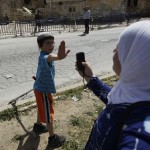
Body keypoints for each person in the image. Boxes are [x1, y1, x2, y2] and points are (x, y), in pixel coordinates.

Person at [76, 20, 150, 150]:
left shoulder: (139, 133)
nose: (114, 50)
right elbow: (115, 102)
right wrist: (90, 78)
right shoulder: (137, 90)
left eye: (121, 46)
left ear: (138, 58)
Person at [33, 32, 70, 149]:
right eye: (47, 43)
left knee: (41, 107)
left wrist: (58, 56)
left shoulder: (43, 54)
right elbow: (50, 57)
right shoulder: (45, 56)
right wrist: (59, 57)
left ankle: (38, 126)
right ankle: (52, 138)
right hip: (43, 90)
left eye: (52, 43)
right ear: (40, 46)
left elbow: (49, 58)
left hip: (40, 87)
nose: (51, 45)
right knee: (49, 113)